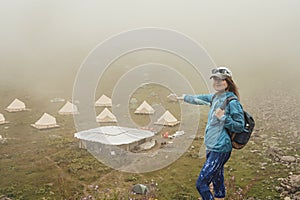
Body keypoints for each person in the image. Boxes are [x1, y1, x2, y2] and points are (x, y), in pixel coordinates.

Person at [174, 67, 245, 200]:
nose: (217, 82)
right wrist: (182, 98)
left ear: (228, 81)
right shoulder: (215, 97)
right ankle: (219, 197)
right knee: (217, 178)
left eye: (221, 79)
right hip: (211, 146)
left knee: (201, 184)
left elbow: (239, 126)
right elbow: (199, 98)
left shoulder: (233, 102)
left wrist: (223, 118)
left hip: (221, 148)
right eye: (215, 79)